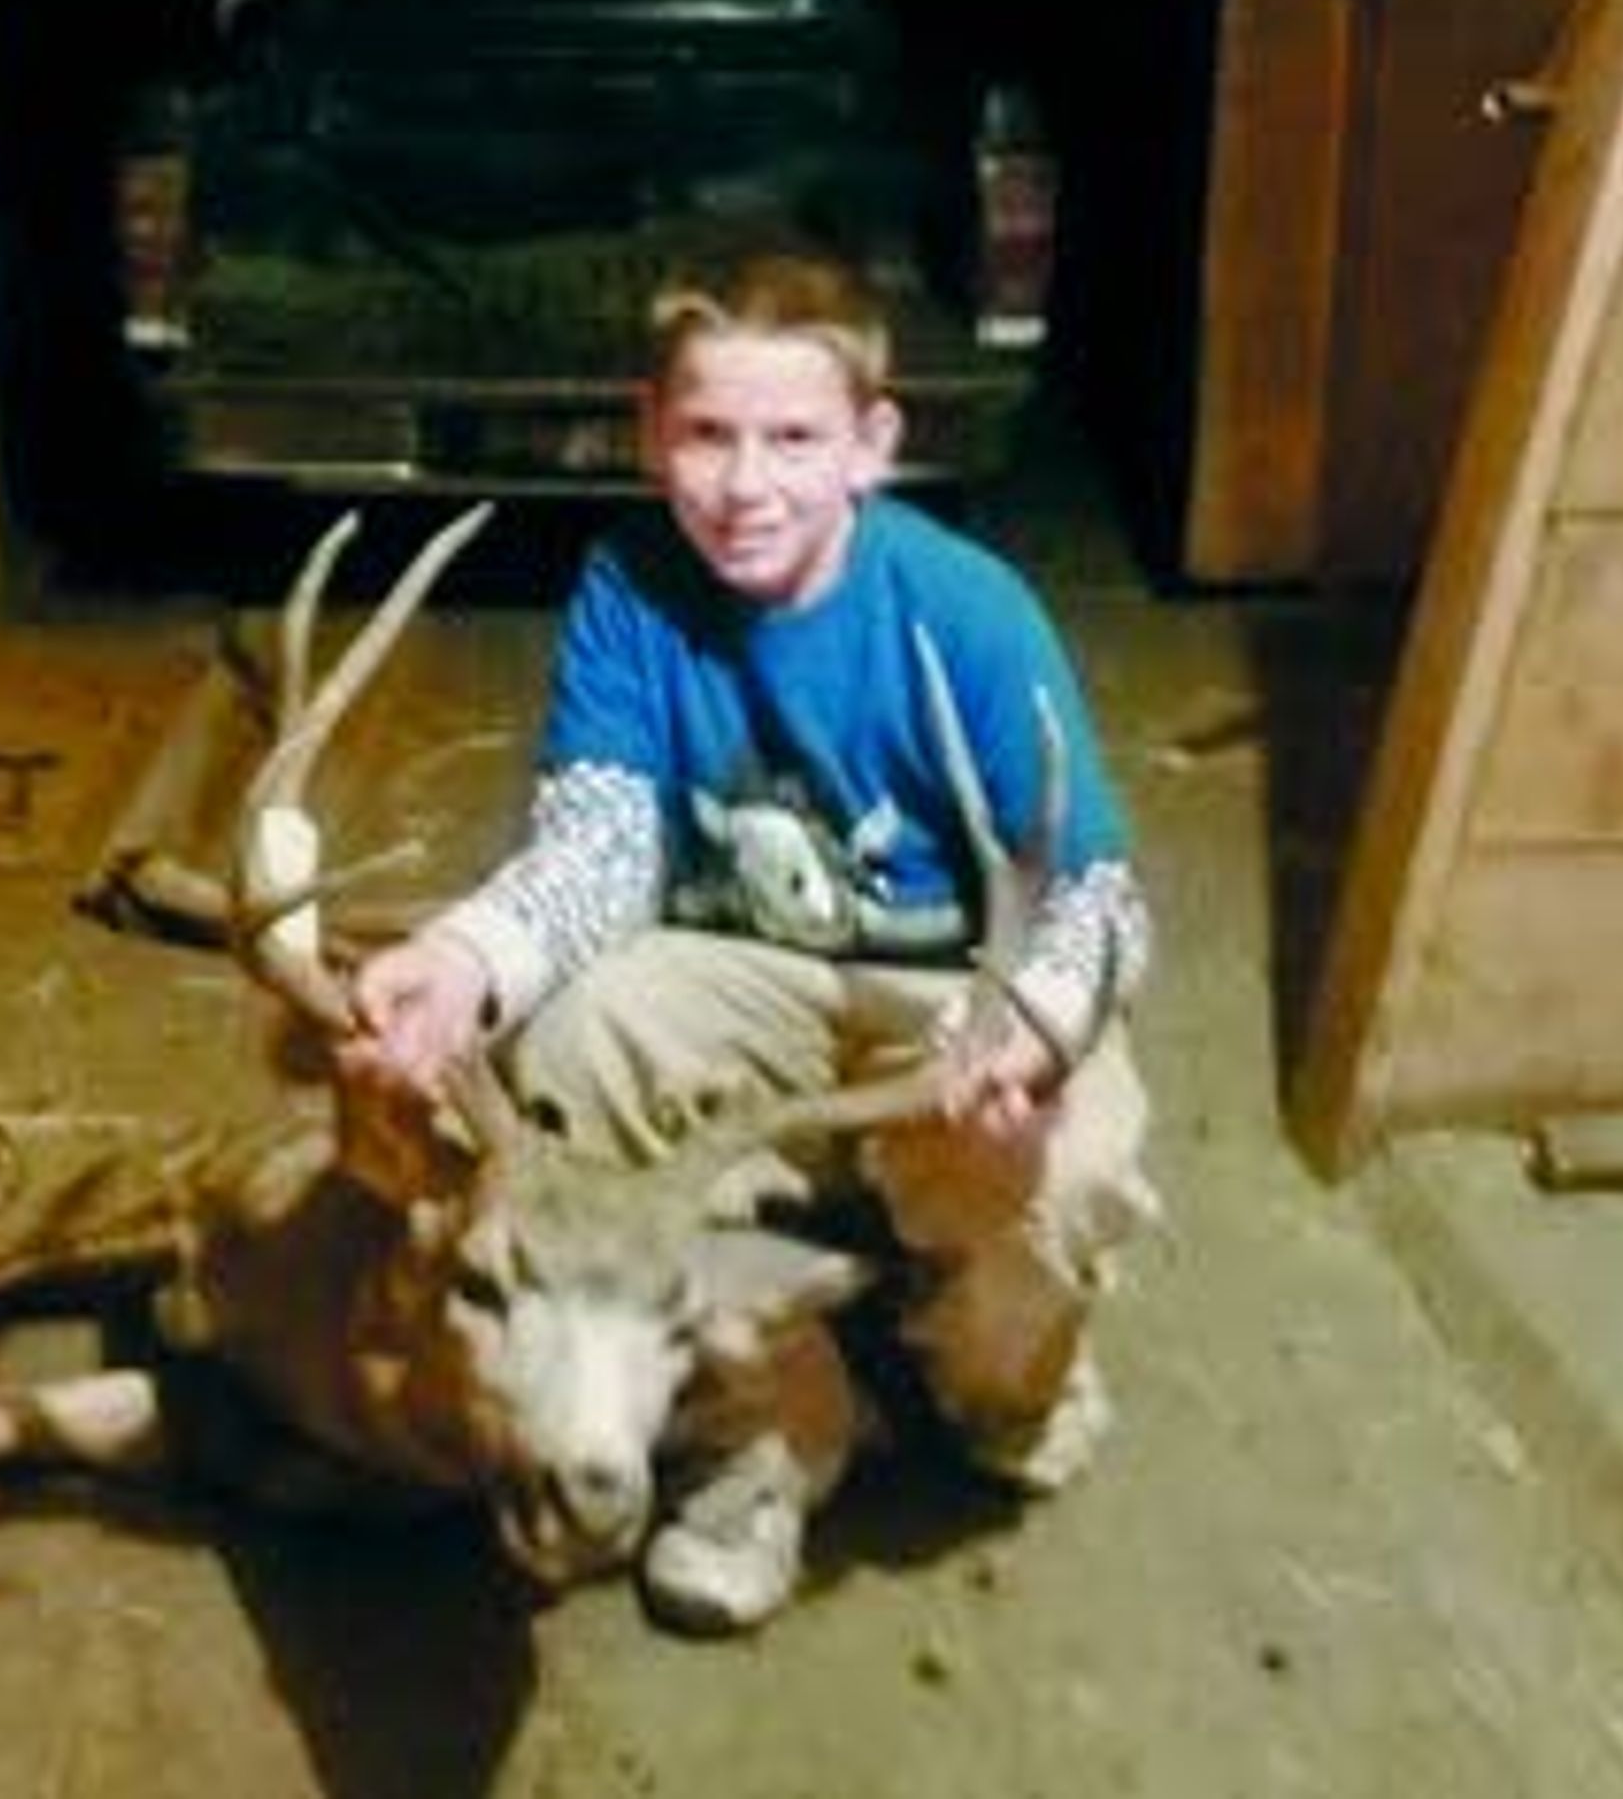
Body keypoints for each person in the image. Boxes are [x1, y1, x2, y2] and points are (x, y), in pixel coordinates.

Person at [338, 246, 1160, 1629]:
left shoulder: (963, 609)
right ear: (651, 430)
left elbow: (1100, 894)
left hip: (959, 990)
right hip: (751, 977)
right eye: (709, 434)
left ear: (873, 446)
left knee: (1056, 1169)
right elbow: (600, 848)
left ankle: (997, 1378)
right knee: (581, 1039)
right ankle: (767, 1437)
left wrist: (1037, 1027)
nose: (746, 482)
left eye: (794, 438)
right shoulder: (632, 585)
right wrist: (470, 957)